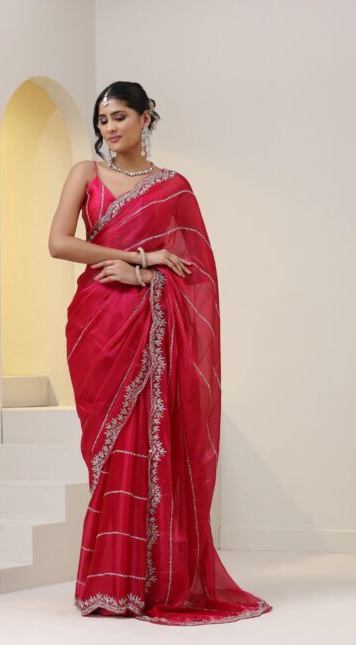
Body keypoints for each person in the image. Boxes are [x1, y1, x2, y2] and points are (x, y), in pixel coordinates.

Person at [48, 81, 273, 626]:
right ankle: (108, 584)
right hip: (99, 322)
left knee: (151, 447)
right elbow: (60, 243)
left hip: (150, 326)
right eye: (103, 120)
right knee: (107, 452)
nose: (109, 128)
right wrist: (140, 256)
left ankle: (150, 584)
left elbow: (197, 273)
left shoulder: (174, 188)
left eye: (120, 117)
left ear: (146, 117)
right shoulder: (84, 173)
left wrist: (145, 275)